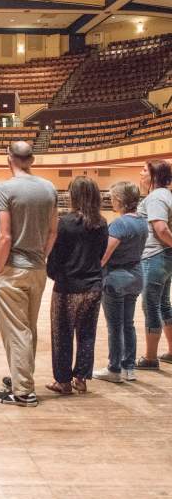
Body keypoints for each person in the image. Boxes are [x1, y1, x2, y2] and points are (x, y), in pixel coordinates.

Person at [0, 142, 58, 407]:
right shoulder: (49, 187)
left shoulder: (4, 189)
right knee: (28, 328)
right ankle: (23, 378)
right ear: (32, 160)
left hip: (12, 269)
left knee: (16, 331)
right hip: (37, 269)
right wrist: (42, 256)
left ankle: (23, 392)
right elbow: (53, 232)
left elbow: (4, 235)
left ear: (9, 159)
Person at [46, 177, 108, 394]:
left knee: (62, 334)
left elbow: (55, 257)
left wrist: (53, 274)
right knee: (87, 334)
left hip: (68, 286)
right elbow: (101, 254)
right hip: (93, 286)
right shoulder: (101, 223)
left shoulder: (65, 223)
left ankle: (63, 381)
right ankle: (80, 379)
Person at [94, 181, 148, 383]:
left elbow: (105, 255)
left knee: (114, 326)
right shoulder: (142, 221)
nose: (111, 200)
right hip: (136, 276)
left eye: (112, 197)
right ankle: (129, 367)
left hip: (116, 278)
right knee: (128, 324)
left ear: (120, 200)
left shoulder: (119, 224)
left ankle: (114, 368)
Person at [136, 160, 172, 369]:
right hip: (165, 257)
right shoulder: (166, 195)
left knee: (150, 305)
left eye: (144, 170)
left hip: (155, 256)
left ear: (155, 175)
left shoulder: (156, 196)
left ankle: (150, 358)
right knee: (164, 304)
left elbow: (161, 229)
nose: (141, 174)